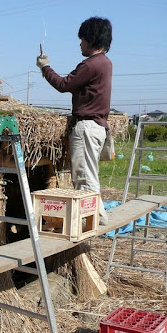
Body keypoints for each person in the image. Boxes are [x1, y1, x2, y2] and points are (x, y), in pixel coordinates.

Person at [37, 17, 113, 226]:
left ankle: (91, 221)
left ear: (92, 39)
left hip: (86, 127)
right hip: (98, 127)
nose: (80, 43)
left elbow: (63, 85)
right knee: (89, 175)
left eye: (82, 39)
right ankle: (97, 217)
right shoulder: (106, 63)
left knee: (83, 178)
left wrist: (45, 68)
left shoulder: (91, 65)